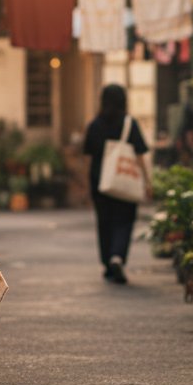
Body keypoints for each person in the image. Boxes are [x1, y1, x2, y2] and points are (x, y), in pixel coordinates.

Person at [83, 84, 151, 284]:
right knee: (124, 221)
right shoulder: (129, 123)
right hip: (125, 180)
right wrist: (147, 180)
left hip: (100, 182)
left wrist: (89, 186)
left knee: (104, 223)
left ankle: (107, 264)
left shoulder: (94, 124)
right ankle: (117, 256)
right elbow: (139, 154)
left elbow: (89, 156)